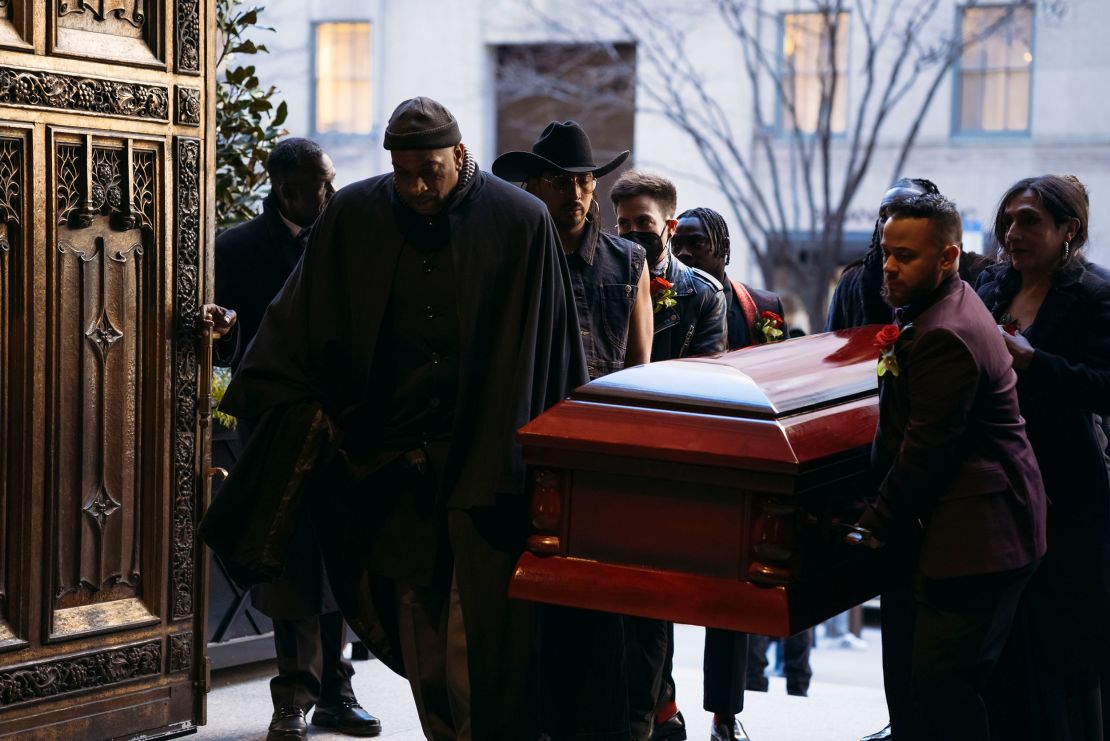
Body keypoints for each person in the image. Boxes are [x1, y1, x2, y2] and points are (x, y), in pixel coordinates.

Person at [204, 97, 587, 741]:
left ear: (460, 156)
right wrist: (280, 400)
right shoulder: (354, 214)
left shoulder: (519, 221)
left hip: (486, 467)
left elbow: (552, 353)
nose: (414, 188)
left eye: (428, 172)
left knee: (486, 640)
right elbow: (299, 319)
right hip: (387, 466)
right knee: (420, 639)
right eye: (402, 172)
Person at [849, 191, 1046, 741]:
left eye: (905, 256)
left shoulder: (945, 332)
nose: (888, 265)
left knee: (942, 694)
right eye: (886, 250)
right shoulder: (941, 307)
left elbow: (926, 452)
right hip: (976, 525)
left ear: (948, 257)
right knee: (933, 692)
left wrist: (870, 525)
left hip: (980, 537)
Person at [207, 138, 381, 741]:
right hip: (278, 427)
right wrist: (223, 334)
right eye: (318, 185)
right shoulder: (237, 248)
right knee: (287, 563)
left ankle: (338, 691)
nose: (330, 194)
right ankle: (292, 698)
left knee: (341, 557)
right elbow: (226, 349)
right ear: (285, 188)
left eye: (333, 182)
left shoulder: (351, 243)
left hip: (344, 427)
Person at [492, 120, 652, 741]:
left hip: (607, 456)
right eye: (561, 181)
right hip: (531, 451)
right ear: (534, 186)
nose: (576, 193)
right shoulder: (516, 255)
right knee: (535, 606)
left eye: (584, 180)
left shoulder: (628, 259)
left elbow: (641, 366)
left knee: (605, 614)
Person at [975, 175, 1110, 741]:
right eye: (1008, 220)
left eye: (1029, 220)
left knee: (1062, 644)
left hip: (1066, 490)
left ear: (1068, 229)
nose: (1013, 233)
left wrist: (1035, 364)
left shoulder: (1096, 296)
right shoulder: (990, 286)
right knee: (1003, 647)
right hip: (993, 490)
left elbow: (1104, 386)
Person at [609, 172, 727, 741]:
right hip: (608, 454)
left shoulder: (702, 293)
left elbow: (705, 385)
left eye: (644, 225)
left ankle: (652, 714)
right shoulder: (604, 276)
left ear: (669, 227)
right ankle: (653, 708)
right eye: (624, 224)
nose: (632, 234)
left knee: (652, 600)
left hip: (668, 462)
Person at [670, 205, 791, 741]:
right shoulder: (664, 296)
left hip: (739, 470)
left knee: (731, 603)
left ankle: (725, 715)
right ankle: (661, 705)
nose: (686, 252)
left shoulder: (761, 308)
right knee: (658, 596)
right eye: (682, 243)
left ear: (723, 249)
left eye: (697, 243)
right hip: (680, 467)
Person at [825, 177, 993, 332]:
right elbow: (831, 346)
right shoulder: (852, 281)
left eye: (905, 215)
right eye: (885, 215)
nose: (893, 223)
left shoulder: (976, 274)